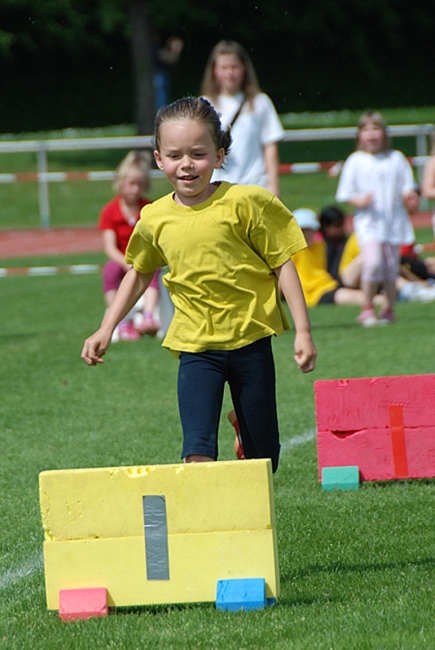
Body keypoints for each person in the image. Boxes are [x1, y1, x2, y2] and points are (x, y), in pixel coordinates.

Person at [82, 97, 316, 473]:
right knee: (197, 453)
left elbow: (282, 263)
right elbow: (139, 272)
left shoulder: (246, 203)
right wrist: (105, 328)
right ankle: (210, 530)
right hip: (195, 348)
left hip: (250, 342)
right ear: (159, 159)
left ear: (219, 154)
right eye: (174, 155)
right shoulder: (155, 217)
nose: (186, 164)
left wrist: (302, 332)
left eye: (198, 153)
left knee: (264, 461)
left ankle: (246, 434)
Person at [335, 110, 419, 326]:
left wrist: (408, 196)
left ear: (384, 133)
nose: (371, 134)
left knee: (391, 267)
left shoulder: (396, 158)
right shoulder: (356, 160)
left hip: (393, 222)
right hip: (369, 223)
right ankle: (367, 307)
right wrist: (359, 200)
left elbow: (407, 186)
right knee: (373, 263)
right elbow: (345, 193)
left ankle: (389, 309)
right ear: (359, 135)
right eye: (366, 130)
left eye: (376, 129)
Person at [200, 40, 284, 196]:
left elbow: (270, 146)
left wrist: (273, 185)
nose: (229, 74)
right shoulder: (204, 104)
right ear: (214, 71)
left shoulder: (260, 102)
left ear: (244, 68)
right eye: (224, 68)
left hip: (255, 186)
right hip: (217, 188)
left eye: (234, 67)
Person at [98, 151, 160, 341]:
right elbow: (109, 248)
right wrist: (126, 263)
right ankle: (120, 321)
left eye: (140, 184)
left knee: (152, 269)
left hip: (143, 258)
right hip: (121, 259)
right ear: (121, 182)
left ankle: (148, 316)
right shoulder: (110, 211)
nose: (135, 189)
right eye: (132, 183)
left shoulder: (150, 208)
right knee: (109, 271)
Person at [291, 208, 385, 310]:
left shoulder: (320, 245)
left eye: (309, 230)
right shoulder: (293, 250)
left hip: (328, 286)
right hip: (312, 294)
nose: (306, 234)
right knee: (354, 297)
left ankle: (388, 297)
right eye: (302, 231)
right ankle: (387, 299)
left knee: (355, 295)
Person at [152, 35, 184, 112]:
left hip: (159, 77)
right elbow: (168, 58)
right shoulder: (153, 48)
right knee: (160, 104)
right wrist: (175, 51)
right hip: (157, 77)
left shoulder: (153, 48)